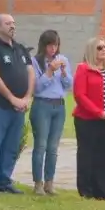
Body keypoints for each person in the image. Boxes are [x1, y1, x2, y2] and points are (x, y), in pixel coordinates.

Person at [0, 13, 35, 194]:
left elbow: (31, 73)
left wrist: (27, 97)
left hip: (18, 107)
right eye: (8, 23)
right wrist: (12, 99)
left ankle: (5, 180)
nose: (13, 26)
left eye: (14, 23)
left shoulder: (20, 49)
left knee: (11, 147)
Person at [72, 36, 105, 201]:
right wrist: (98, 112)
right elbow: (80, 95)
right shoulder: (83, 68)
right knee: (87, 153)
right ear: (92, 50)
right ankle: (86, 189)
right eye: (100, 48)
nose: (104, 50)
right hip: (87, 119)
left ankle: (102, 189)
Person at [29, 30, 72, 196]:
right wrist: (49, 72)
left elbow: (68, 84)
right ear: (44, 45)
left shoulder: (64, 60)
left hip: (59, 106)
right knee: (40, 145)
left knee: (53, 147)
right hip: (42, 105)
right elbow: (37, 88)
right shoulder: (36, 62)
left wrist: (62, 72)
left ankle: (49, 182)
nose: (53, 49)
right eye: (50, 45)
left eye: (56, 45)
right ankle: (37, 183)